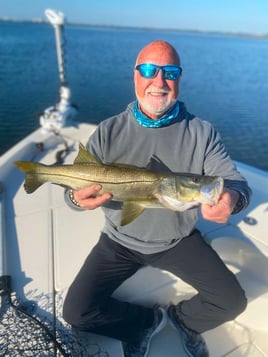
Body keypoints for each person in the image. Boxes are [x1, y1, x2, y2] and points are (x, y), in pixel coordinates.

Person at [63, 40, 251, 357]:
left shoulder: (202, 132)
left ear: (179, 79)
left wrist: (231, 198)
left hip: (178, 241)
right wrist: (77, 200)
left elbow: (233, 181)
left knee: (233, 301)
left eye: (170, 72)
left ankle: (185, 321)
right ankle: (143, 323)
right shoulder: (108, 131)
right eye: (149, 70)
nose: (159, 81)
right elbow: (74, 188)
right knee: (75, 313)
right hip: (118, 240)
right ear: (135, 75)